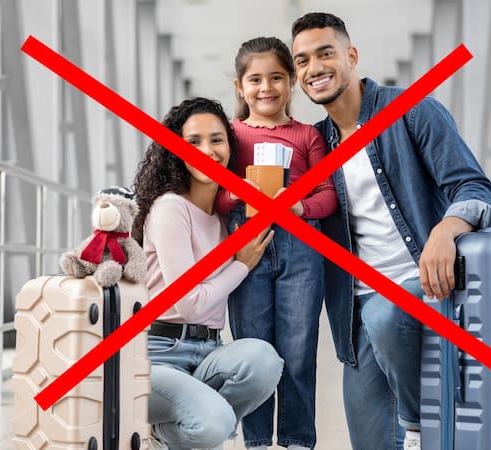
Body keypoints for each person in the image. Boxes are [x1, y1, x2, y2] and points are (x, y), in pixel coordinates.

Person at [290, 12, 491, 450]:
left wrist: (446, 231)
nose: (314, 68)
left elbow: (475, 188)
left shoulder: (412, 111)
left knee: (386, 314)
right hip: (357, 308)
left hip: (425, 284)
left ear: (351, 56)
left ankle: (418, 425)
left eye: (325, 53)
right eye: (302, 60)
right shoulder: (315, 144)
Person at [132, 97, 284, 450]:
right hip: (157, 354)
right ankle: (160, 433)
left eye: (216, 140)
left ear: (230, 148)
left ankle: (182, 429)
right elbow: (188, 303)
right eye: (193, 141)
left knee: (264, 360)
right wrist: (242, 265)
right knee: (214, 422)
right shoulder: (171, 207)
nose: (206, 151)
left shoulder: (225, 219)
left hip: (208, 350)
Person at [213, 36, 337, 450]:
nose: (266, 88)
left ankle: (297, 440)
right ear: (239, 87)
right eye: (255, 80)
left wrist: (299, 206)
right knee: (253, 349)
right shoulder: (231, 136)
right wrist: (239, 193)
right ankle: (257, 441)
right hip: (247, 247)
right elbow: (216, 199)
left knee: (298, 351)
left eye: (276, 78)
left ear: (291, 82)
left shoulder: (308, 136)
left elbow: (328, 195)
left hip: (301, 247)